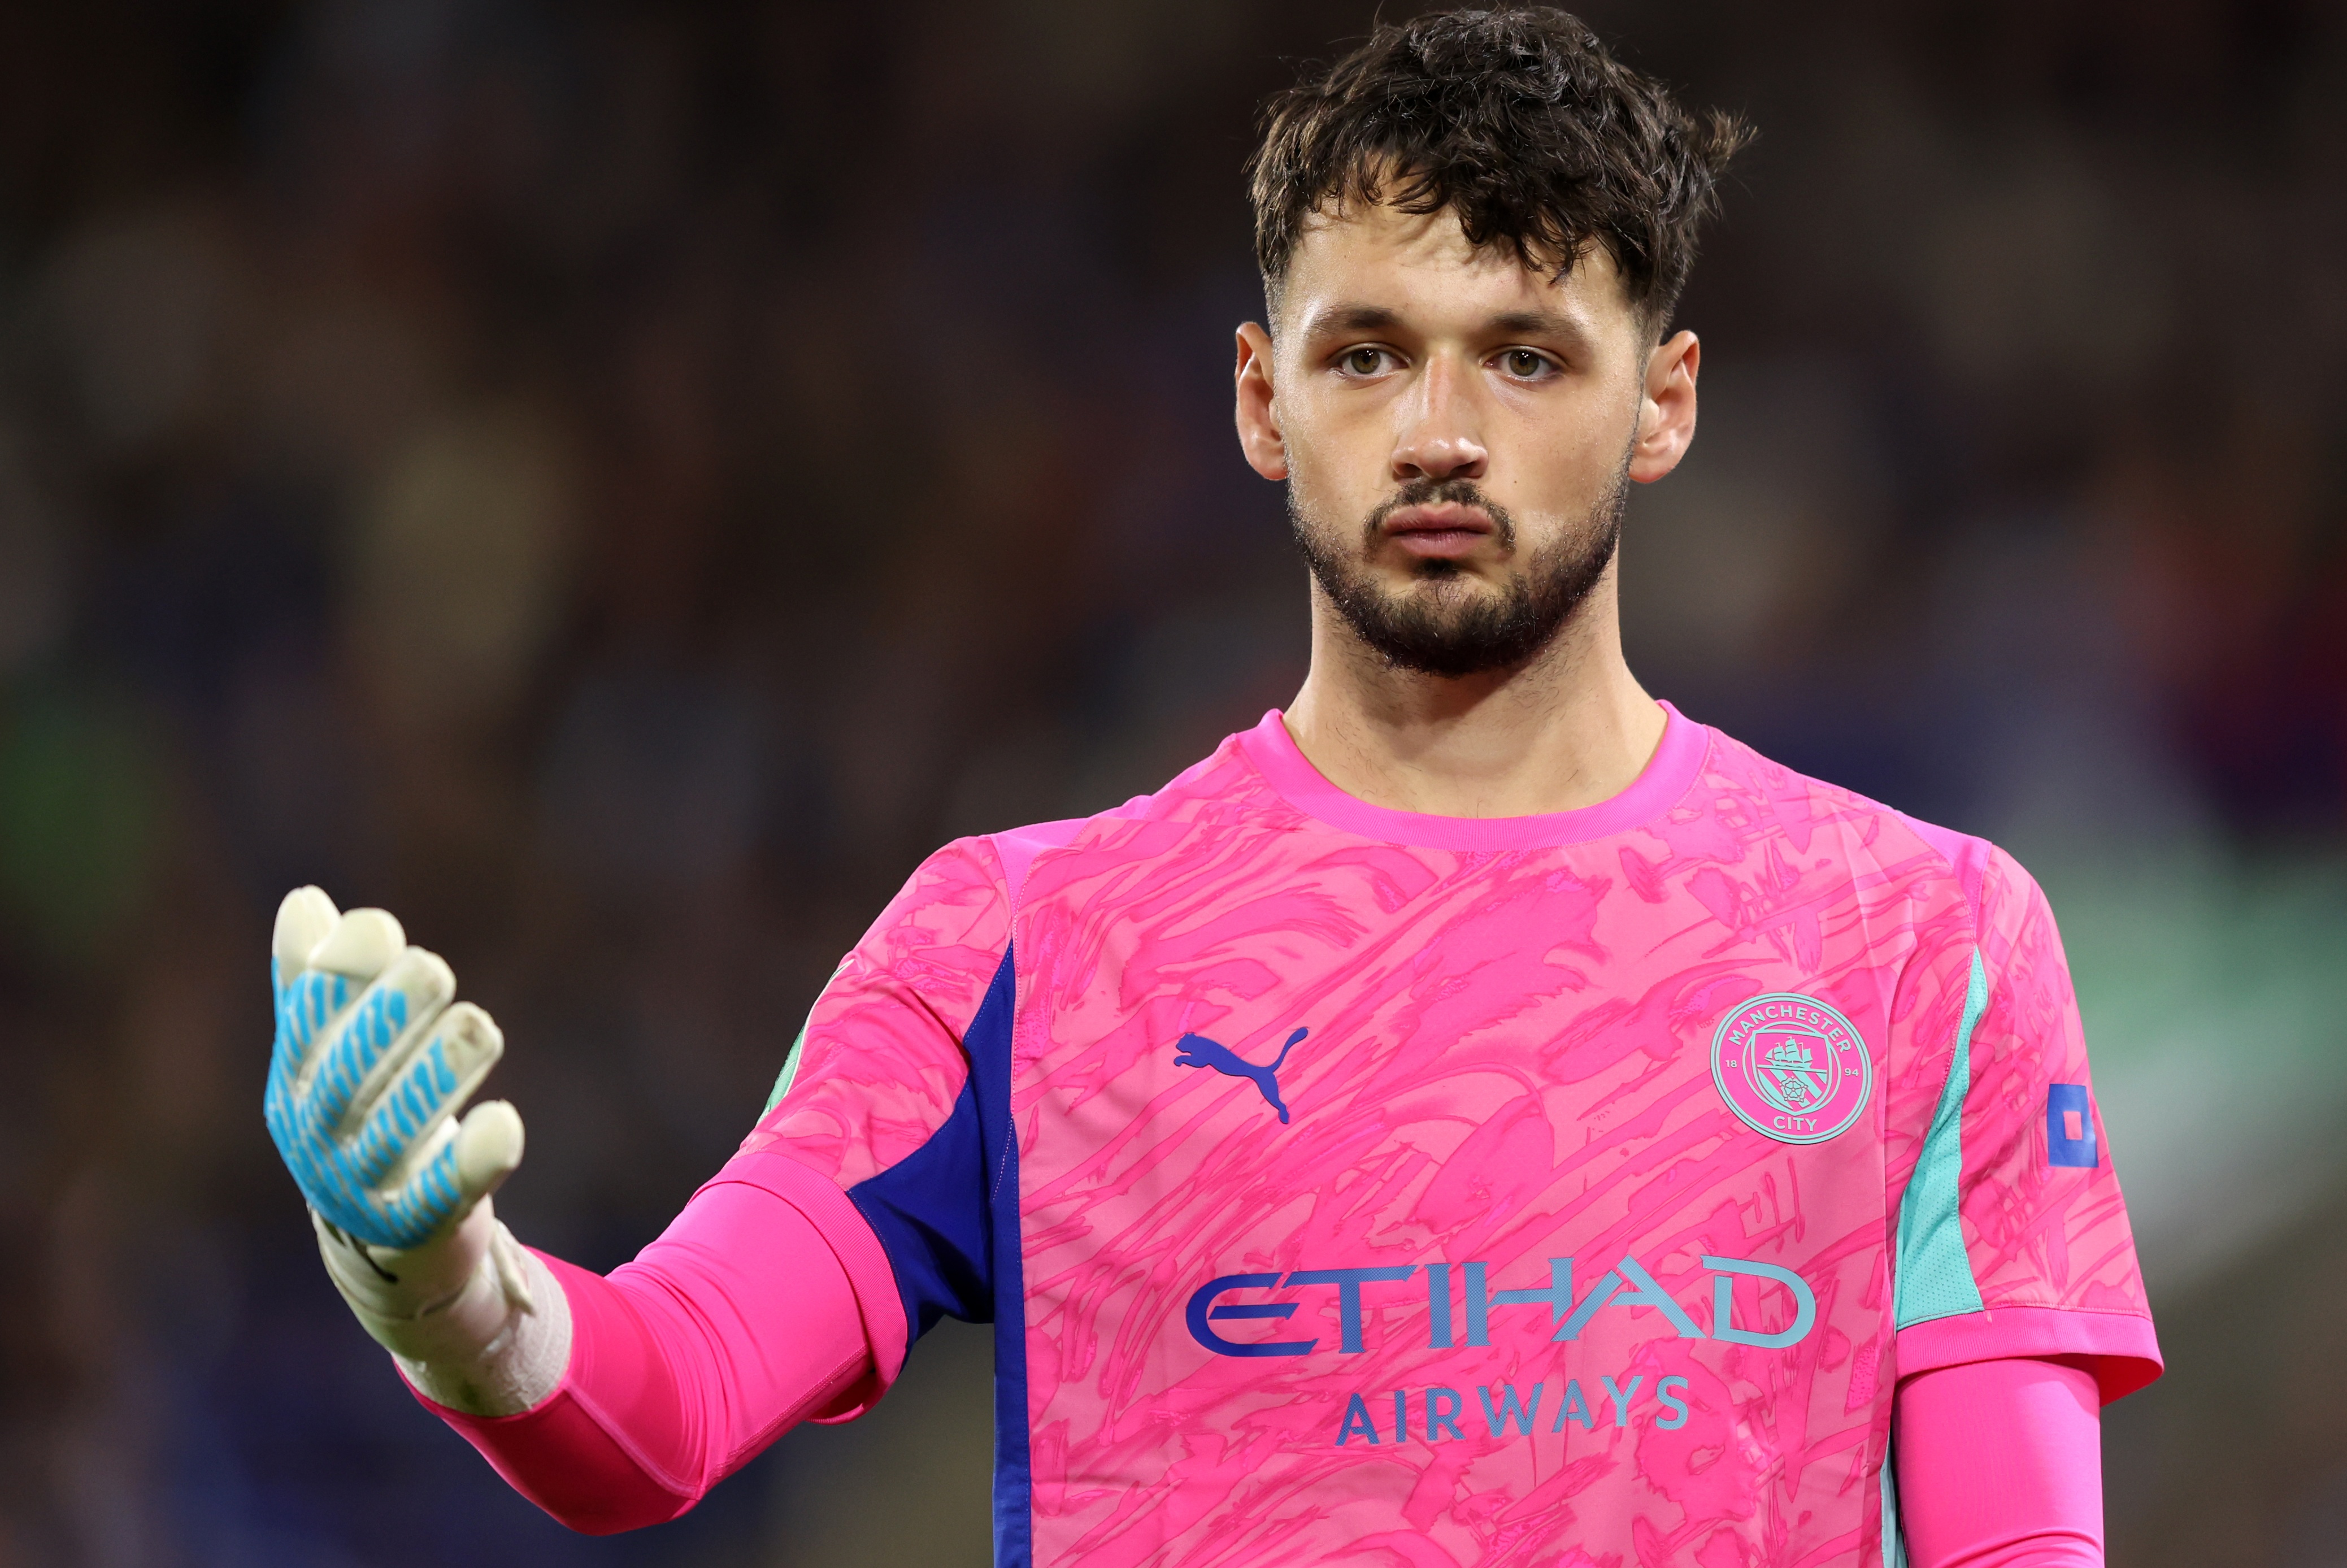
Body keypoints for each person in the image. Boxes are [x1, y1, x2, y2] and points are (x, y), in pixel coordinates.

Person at [262, 9, 2159, 1564]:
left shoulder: (1923, 942)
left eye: (1523, 356)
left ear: (1660, 403)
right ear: (1265, 401)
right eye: (1369, 355)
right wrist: (440, 1279)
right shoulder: (1019, 942)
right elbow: (661, 1403)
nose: (1438, 433)